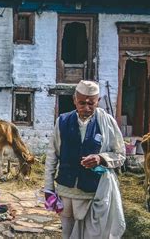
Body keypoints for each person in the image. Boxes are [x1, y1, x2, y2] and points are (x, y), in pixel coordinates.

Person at [44, 80, 126, 238]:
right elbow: (52, 155)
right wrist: (48, 188)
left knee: (91, 234)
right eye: (82, 103)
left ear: (98, 101)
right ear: (74, 99)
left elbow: (120, 155)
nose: (86, 108)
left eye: (91, 103)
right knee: (67, 233)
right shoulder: (62, 121)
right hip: (66, 190)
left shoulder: (107, 123)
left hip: (93, 192)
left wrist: (101, 158)